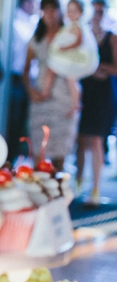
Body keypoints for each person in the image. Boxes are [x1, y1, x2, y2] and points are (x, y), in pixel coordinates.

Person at [25, 0, 79, 172]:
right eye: (46, 9)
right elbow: (25, 71)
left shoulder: (68, 36)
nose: (49, 13)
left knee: (60, 149)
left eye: (53, 9)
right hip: (41, 96)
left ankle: (56, 190)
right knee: (38, 148)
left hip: (64, 96)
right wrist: (31, 91)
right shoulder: (36, 39)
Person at [77, 0, 117, 205]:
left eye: (101, 12)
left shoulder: (112, 38)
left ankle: (95, 188)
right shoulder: (82, 35)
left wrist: (100, 68)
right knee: (81, 139)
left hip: (103, 94)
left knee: (96, 139)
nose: (97, 15)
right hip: (84, 91)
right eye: (95, 11)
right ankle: (78, 184)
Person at [7, 0, 39, 163]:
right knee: (14, 122)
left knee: (24, 124)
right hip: (16, 79)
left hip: (32, 80)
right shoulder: (14, 22)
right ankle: (9, 159)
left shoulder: (34, 22)